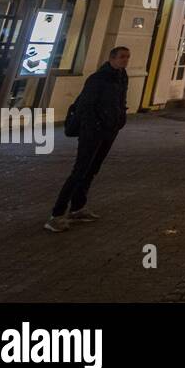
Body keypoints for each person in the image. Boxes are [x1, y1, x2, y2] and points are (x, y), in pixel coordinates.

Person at [47, 46, 131, 232]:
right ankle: (57, 214)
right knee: (80, 170)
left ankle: (77, 208)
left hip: (110, 130)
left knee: (92, 170)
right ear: (112, 58)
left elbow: (120, 101)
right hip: (93, 132)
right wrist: (96, 126)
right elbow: (86, 106)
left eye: (127, 57)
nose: (125, 60)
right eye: (122, 57)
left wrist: (119, 120)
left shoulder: (122, 77)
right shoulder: (98, 79)